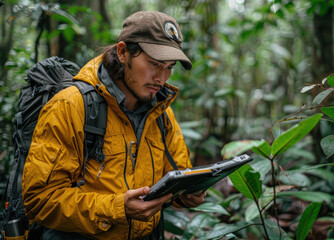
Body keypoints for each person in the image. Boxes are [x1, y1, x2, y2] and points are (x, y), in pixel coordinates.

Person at [22, 11, 206, 240]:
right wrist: (117, 208)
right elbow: (40, 201)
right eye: (154, 64)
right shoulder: (71, 106)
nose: (162, 78)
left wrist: (186, 193)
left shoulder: (161, 113)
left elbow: (176, 174)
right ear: (122, 52)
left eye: (169, 67)